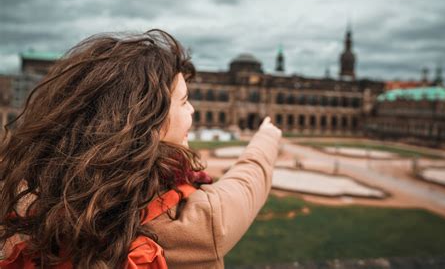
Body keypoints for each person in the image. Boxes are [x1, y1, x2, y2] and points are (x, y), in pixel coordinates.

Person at [0, 29, 282, 268]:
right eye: (184, 101)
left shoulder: (33, 201)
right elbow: (247, 182)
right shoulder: (197, 223)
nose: (193, 109)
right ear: (150, 120)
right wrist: (267, 136)